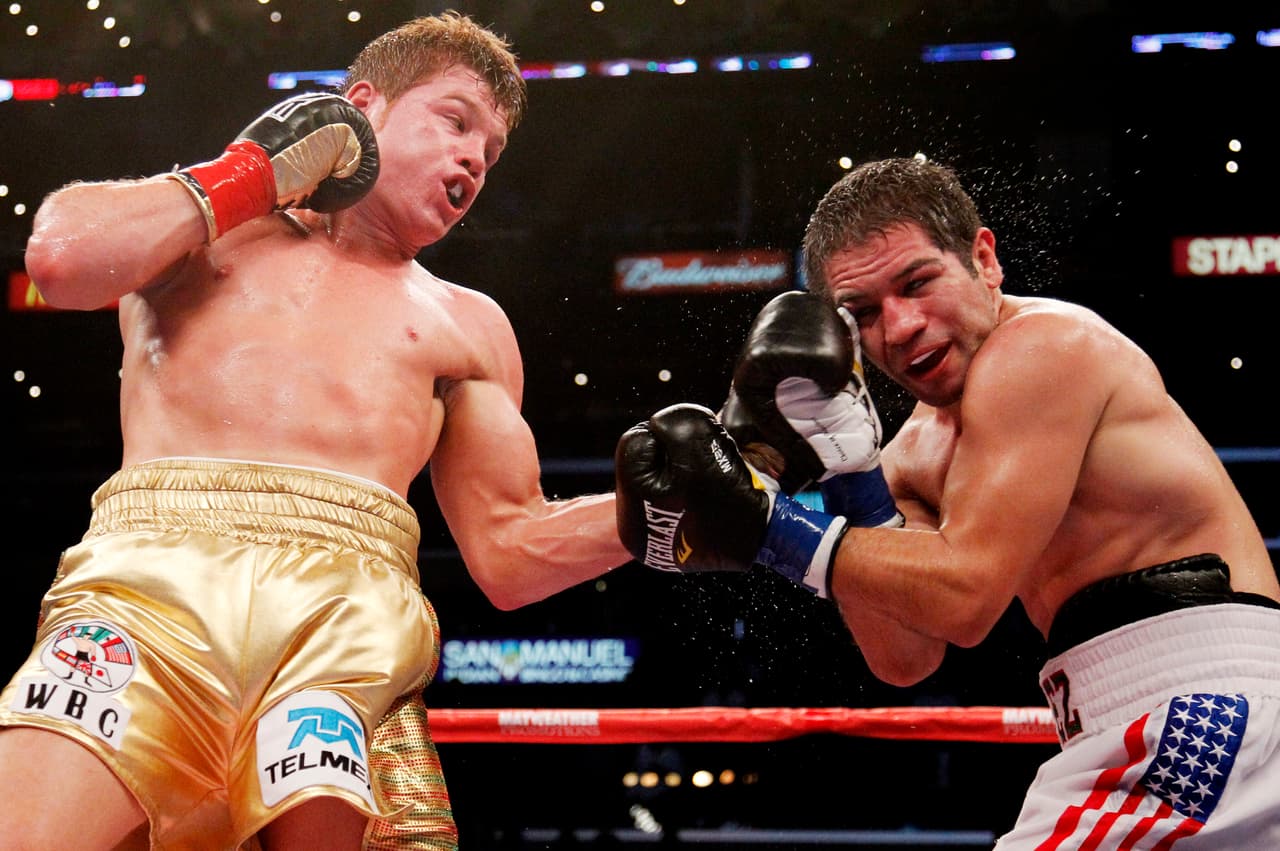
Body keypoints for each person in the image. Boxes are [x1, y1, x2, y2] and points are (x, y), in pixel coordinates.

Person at [1, 12, 632, 851]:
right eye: (455, 120)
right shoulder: (201, 232)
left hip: (346, 631)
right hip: (146, 599)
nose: (476, 158)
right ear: (362, 106)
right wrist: (249, 176)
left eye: (491, 149)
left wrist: (670, 506)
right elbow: (60, 258)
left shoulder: (468, 323)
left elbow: (510, 549)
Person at [616, 156, 1280, 847]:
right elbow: (905, 655)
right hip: (1133, 721)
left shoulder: (1045, 347)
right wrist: (853, 478)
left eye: (918, 283)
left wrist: (767, 527)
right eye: (863, 313)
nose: (899, 327)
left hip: (1204, 708)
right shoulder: (907, 455)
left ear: (984, 259)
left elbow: (966, 596)